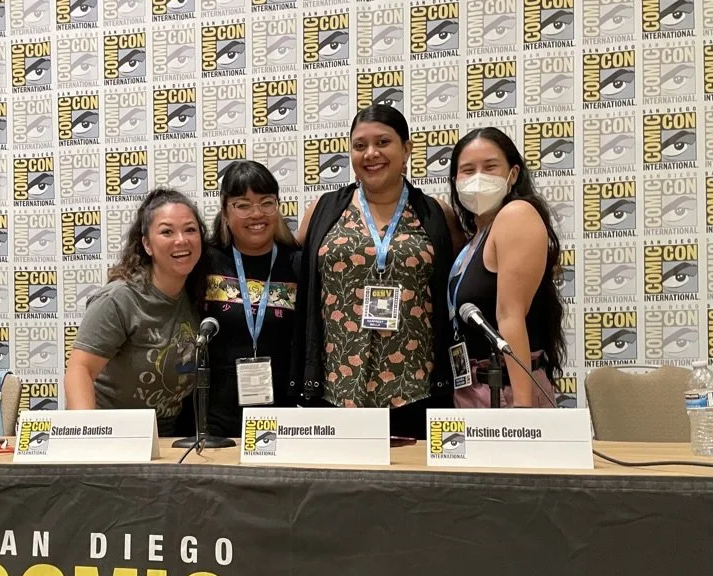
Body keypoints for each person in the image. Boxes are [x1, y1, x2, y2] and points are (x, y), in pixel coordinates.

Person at [291, 104, 464, 439]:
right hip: (335, 390)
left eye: (383, 142)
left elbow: (467, 271)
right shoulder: (323, 210)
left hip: (415, 390)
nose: (371, 153)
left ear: (406, 149)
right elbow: (287, 261)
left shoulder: (436, 213)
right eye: (360, 145)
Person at [64, 188, 205, 436]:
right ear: (147, 244)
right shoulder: (119, 299)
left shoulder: (197, 295)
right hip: (112, 434)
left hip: (167, 435)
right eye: (167, 232)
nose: (181, 240)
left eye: (190, 230)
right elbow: (80, 370)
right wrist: (88, 437)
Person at [446, 127, 566, 408]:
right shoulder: (472, 241)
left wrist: (521, 411)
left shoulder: (516, 215)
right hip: (471, 388)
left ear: (512, 174)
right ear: (455, 181)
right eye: (468, 170)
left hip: (507, 390)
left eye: (490, 167)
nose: (478, 178)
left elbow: (510, 316)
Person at [200, 161, 300, 437]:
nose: (257, 214)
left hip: (283, 418)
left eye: (267, 203)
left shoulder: (297, 264)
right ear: (225, 211)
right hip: (214, 420)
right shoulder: (204, 262)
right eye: (242, 205)